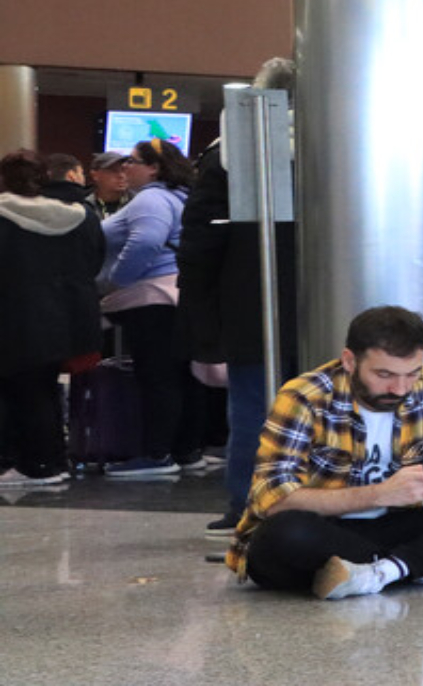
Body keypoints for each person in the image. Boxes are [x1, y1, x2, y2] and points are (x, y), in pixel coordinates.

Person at [225, 305, 423, 599]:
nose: (400, 388)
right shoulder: (305, 397)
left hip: (393, 525)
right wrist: (380, 494)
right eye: (384, 375)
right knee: (286, 533)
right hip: (328, 528)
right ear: (349, 361)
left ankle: (384, 571)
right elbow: (274, 499)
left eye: (411, 373)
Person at [177, 56, 300, 535]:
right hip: (334, 299)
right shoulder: (337, 147)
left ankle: (248, 502)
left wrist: (202, 311)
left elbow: (200, 242)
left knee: (255, 406)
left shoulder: (228, 154)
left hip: (252, 300)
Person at [99, 137, 203, 477]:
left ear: (154, 168)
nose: (124, 168)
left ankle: (156, 453)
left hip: (151, 299)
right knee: (180, 377)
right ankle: (185, 449)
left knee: (157, 378)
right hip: (178, 295)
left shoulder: (151, 199)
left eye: (131, 161)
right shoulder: (181, 197)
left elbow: (145, 241)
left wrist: (117, 279)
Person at [0, 150, 105, 487]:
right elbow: (95, 261)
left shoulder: (3, 217)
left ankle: (37, 465)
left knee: (24, 393)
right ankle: (54, 459)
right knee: (45, 389)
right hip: (69, 317)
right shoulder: (80, 216)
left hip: (16, 318)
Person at [87, 151, 132, 218]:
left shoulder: (137, 202)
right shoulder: (83, 205)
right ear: (95, 175)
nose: (121, 175)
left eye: (124, 170)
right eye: (114, 171)